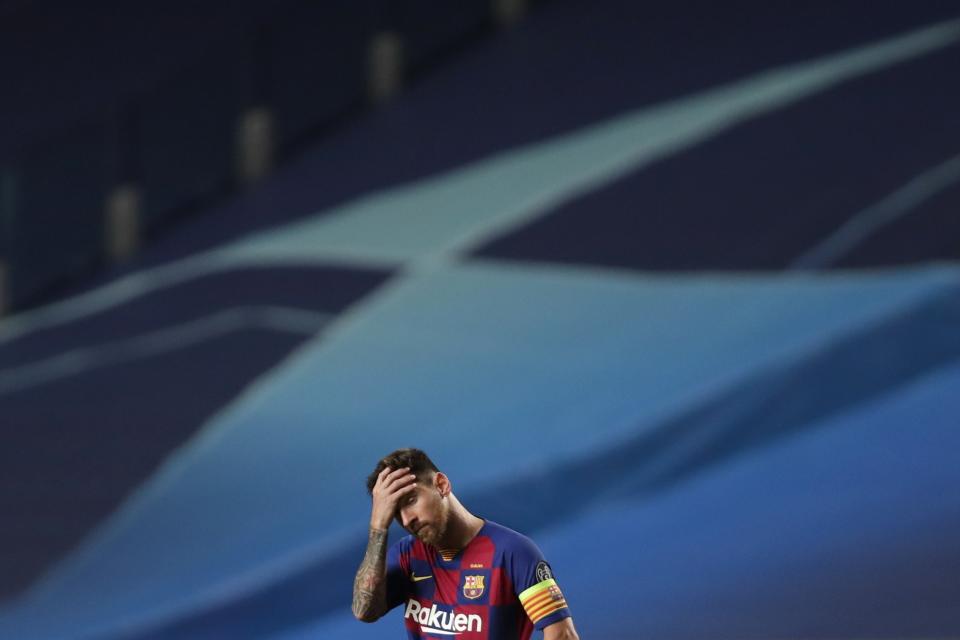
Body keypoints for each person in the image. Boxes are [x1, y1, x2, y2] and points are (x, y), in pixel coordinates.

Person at [352, 448, 580, 639]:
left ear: (441, 484)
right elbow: (364, 611)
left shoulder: (512, 552)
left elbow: (562, 634)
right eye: (394, 514)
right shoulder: (407, 554)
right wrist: (378, 527)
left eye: (411, 500)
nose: (406, 520)